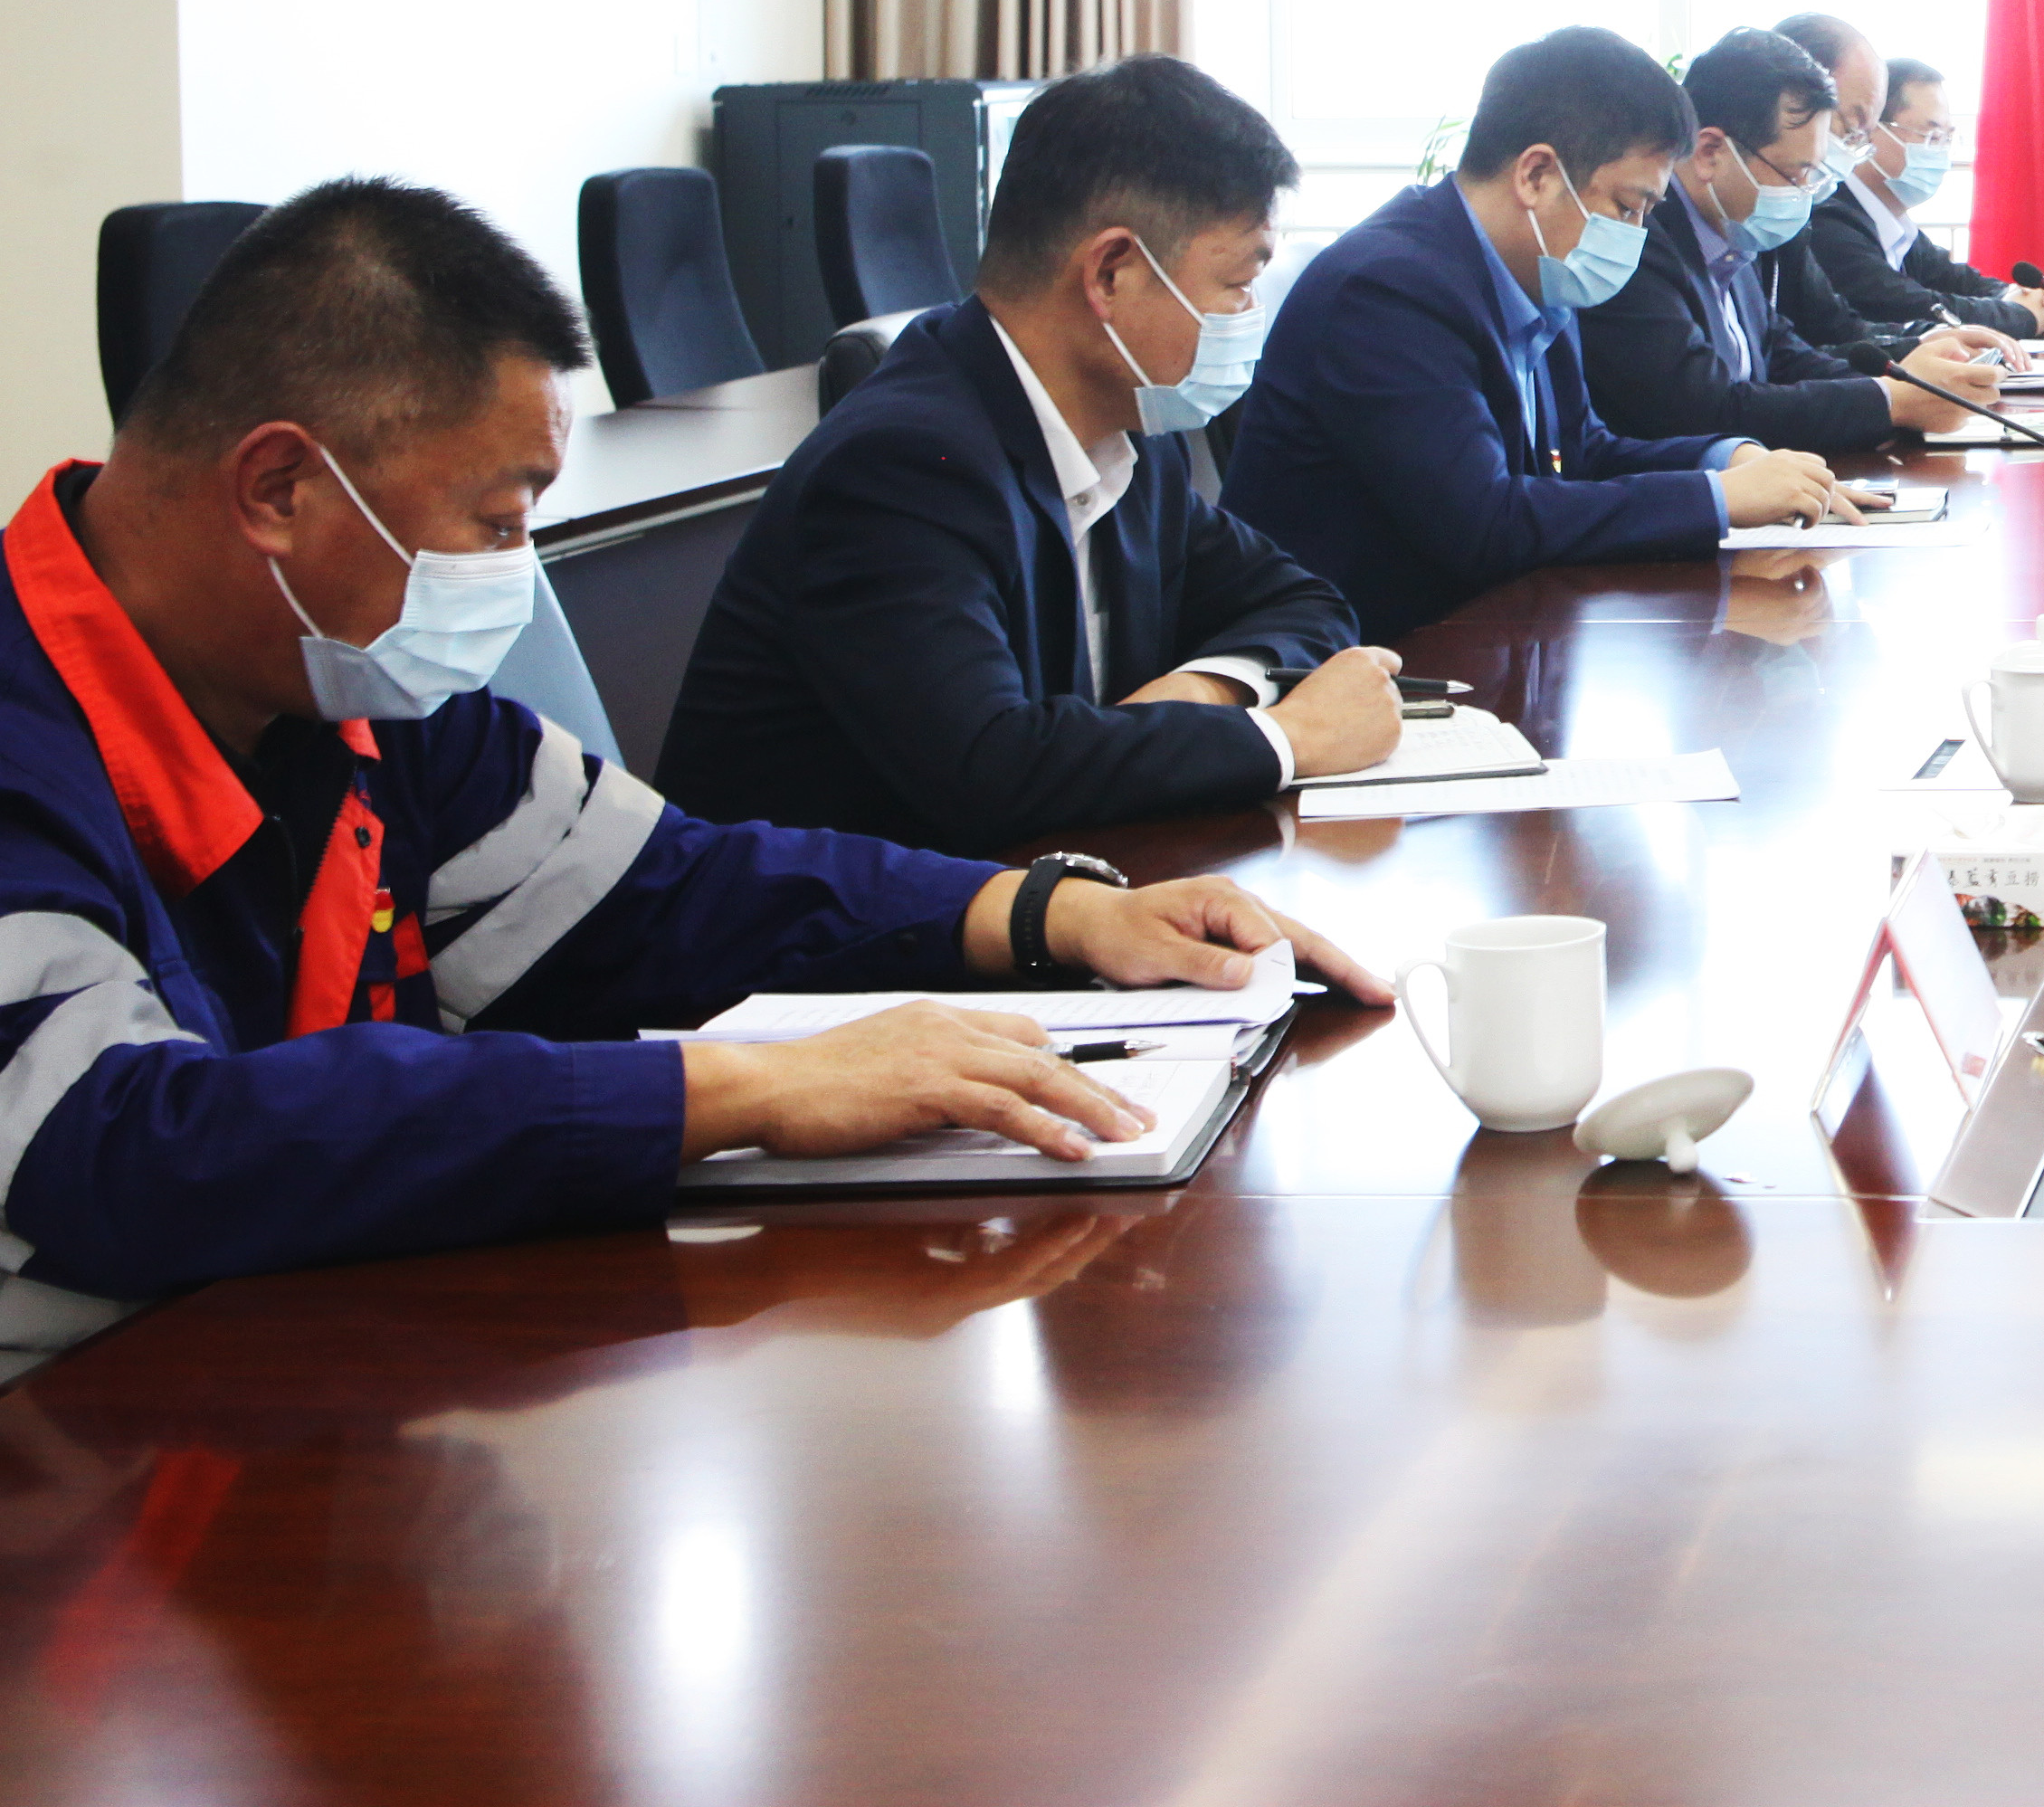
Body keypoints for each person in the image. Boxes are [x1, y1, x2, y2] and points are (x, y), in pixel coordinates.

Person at [0, 180, 1384, 1385]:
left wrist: (1049, 916)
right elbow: (123, 1146)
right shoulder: (30, 725)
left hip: (288, 1367)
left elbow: (666, 886)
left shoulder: (353, 698)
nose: (513, 576)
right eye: (492, 523)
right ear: (275, 491)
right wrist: (732, 1093)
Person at [667, 58, 1403, 846]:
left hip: (1039, 883)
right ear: (1112, 273)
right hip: (822, 917)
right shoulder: (903, 467)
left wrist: (1205, 690)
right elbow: (991, 769)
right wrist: (1287, 738)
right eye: (1234, 283)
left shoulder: (1130, 438)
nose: (1248, 311)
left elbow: (1306, 603)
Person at [1223, 26, 1861, 640]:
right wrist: (1715, 499)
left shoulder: (1531, 271)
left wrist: (1726, 459)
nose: (1637, 235)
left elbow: (1583, 452)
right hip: (1365, 656)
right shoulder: (1390, 290)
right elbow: (1485, 523)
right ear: (1536, 176)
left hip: (1488, 630)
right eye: (1626, 207)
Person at [1586, 28, 2010, 454]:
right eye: (1795, 174)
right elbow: (1704, 409)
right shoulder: (1639, 238)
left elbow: (1784, 357)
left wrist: (1904, 383)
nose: (1807, 194)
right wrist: (1890, 402)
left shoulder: (1733, 229)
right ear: (1710, 152)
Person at [1787, 28, 2041, 340]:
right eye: (1931, 135)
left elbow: (1955, 280)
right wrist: (2023, 315)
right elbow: (1906, 305)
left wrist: (2015, 296)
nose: (1941, 151)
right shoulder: (1828, 215)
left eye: (1947, 138)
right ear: (1873, 129)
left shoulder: (1893, 223)